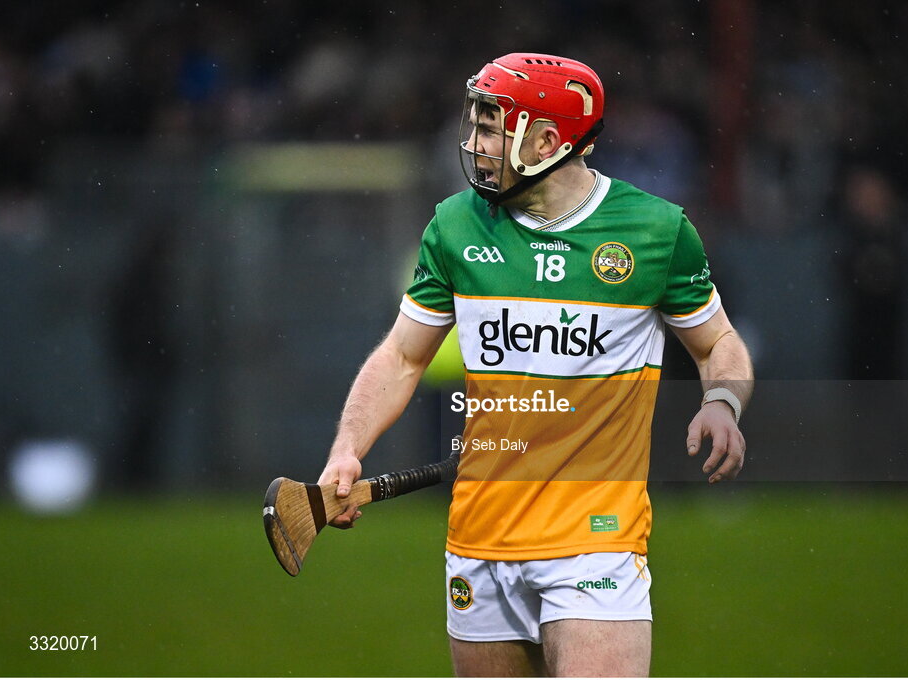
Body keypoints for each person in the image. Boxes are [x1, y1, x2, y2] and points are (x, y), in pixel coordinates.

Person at [317, 53, 753, 677]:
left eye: (491, 128)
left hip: (596, 537)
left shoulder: (656, 231)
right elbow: (402, 355)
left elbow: (719, 345)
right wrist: (347, 447)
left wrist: (722, 402)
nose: (473, 143)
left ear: (549, 140)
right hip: (480, 539)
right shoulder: (455, 224)